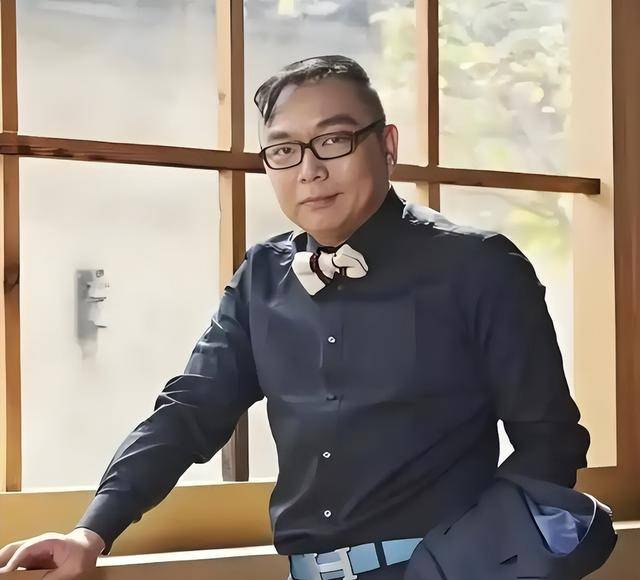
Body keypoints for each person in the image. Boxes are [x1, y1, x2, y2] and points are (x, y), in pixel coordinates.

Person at [0, 55, 616, 580]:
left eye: (333, 140)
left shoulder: (480, 266)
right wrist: (91, 532)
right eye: (284, 150)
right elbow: (189, 411)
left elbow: (552, 441)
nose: (309, 170)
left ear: (388, 145)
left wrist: (464, 562)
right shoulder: (261, 277)